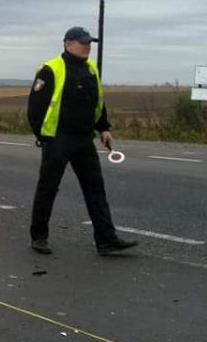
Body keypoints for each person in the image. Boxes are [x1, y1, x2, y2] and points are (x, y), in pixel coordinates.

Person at [27, 27, 138, 256]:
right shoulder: (51, 69)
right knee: (48, 188)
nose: (87, 47)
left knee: (95, 189)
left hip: (83, 139)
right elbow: (35, 108)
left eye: (89, 43)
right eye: (82, 42)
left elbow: (97, 100)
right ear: (68, 43)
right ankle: (39, 237)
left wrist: (103, 127)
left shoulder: (91, 68)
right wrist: (44, 137)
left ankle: (106, 240)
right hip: (58, 139)